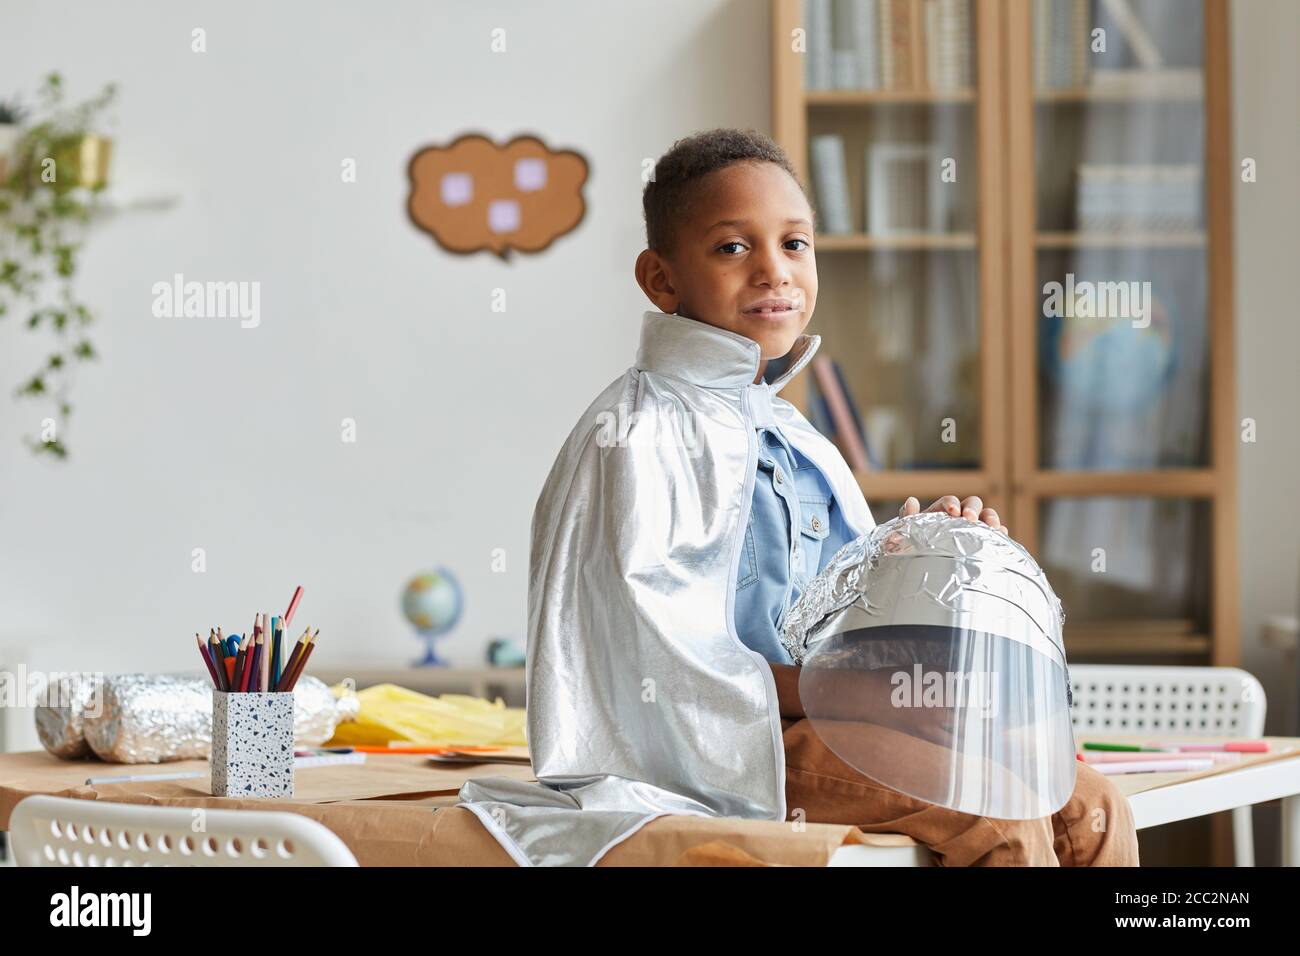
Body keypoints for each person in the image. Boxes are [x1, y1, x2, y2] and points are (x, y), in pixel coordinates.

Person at [456, 128, 1139, 867]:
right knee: (990, 811)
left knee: (1092, 808)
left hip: (823, 721)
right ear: (660, 279)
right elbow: (660, 670)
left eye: (795, 244)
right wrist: (853, 695)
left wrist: (921, 559)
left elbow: (832, 613)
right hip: (730, 753)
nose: (774, 272)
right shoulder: (639, 434)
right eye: (732, 248)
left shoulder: (789, 429)